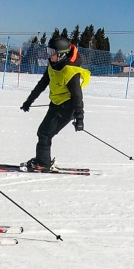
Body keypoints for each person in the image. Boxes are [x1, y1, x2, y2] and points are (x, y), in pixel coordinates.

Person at [20, 36, 90, 171]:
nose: (48, 55)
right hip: (56, 104)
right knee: (43, 133)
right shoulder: (53, 66)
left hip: (67, 107)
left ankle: (43, 163)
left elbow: (77, 97)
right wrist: (29, 101)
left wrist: (79, 118)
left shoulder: (70, 72)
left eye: (52, 52)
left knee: (44, 133)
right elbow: (42, 84)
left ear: (61, 55)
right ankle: (42, 160)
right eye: (48, 51)